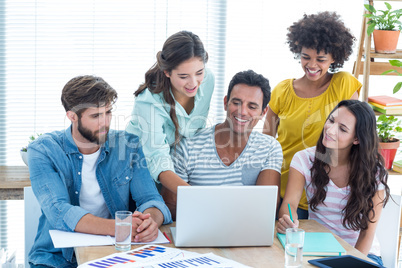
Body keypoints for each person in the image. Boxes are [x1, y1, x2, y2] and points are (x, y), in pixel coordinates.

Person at [27, 75, 172, 268]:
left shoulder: (128, 145)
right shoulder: (43, 150)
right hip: (56, 259)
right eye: (96, 116)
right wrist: (120, 227)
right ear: (72, 116)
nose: (105, 122)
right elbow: (59, 211)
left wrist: (151, 221)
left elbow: (150, 199)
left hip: (114, 253)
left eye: (108, 112)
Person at [263, 12, 362, 219]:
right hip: (284, 192)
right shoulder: (282, 90)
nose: (312, 65)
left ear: (334, 57)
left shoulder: (344, 84)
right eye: (306, 57)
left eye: (321, 59)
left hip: (326, 195)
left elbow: (356, 134)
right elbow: (266, 143)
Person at [276, 100, 390, 266]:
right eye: (331, 120)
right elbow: (290, 204)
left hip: (362, 253)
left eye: (342, 129)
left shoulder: (375, 172)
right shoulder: (304, 160)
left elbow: (367, 233)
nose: (330, 130)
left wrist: (352, 263)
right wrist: (288, 220)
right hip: (319, 250)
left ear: (357, 138)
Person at [169, 70, 283, 218]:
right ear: (225, 103)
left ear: (263, 112)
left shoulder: (269, 148)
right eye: (236, 103)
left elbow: (265, 209)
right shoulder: (188, 146)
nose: (242, 111)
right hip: (199, 233)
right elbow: (172, 207)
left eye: (252, 107)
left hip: (245, 234)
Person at [126, 30, 215, 196]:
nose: (193, 83)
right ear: (167, 72)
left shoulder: (208, 80)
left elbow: (196, 134)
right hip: (140, 169)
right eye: (183, 76)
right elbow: (157, 159)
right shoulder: (148, 102)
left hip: (178, 171)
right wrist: (196, 196)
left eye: (199, 72)